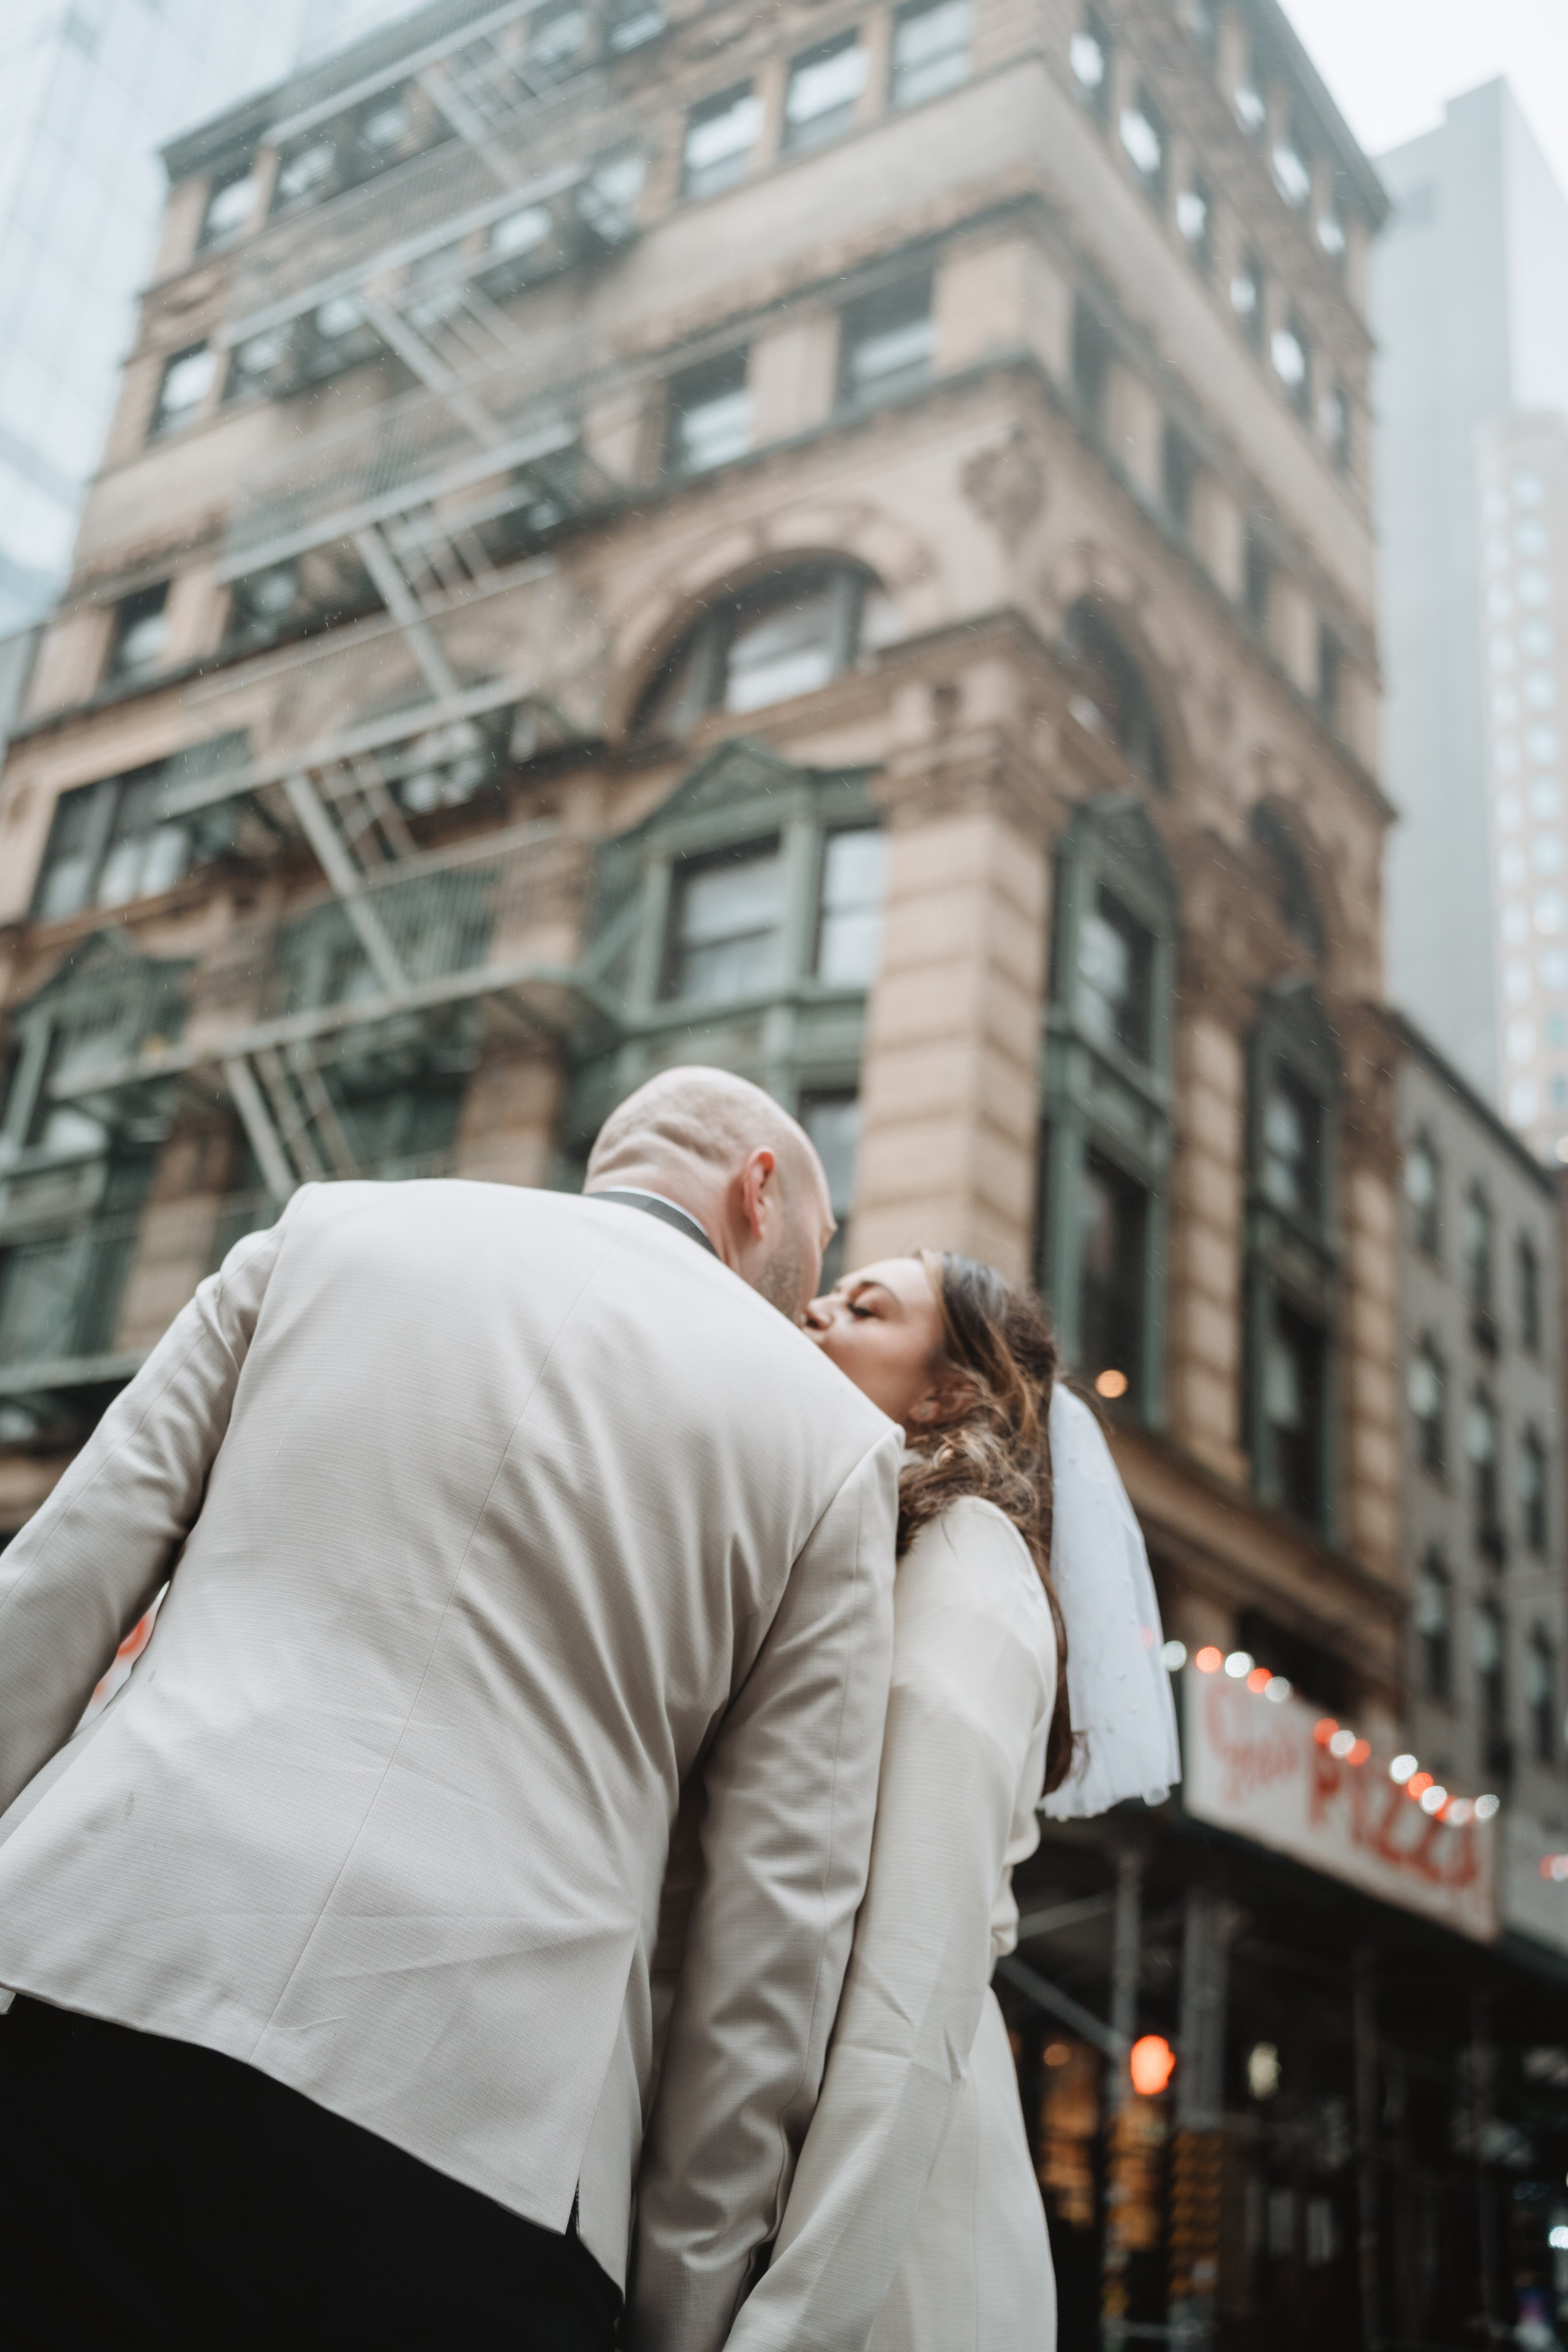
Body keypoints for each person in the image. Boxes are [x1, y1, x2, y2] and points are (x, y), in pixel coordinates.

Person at [0, 1068, 903, 2352]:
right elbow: (775, 1936)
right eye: (821, 1243)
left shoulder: (323, 1234)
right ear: (758, 1191)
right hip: (489, 2151)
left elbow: (50, 1595)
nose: (812, 1294)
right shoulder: (833, 1444)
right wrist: (683, 2306)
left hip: (101, 1988)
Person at [719, 1250, 1180, 2352]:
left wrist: (794, 2326)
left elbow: (909, 1999)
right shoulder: (866, 1540)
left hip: (895, 2248)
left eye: (864, 1305)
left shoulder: (970, 1566)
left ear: (946, 1396)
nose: (816, 1307)